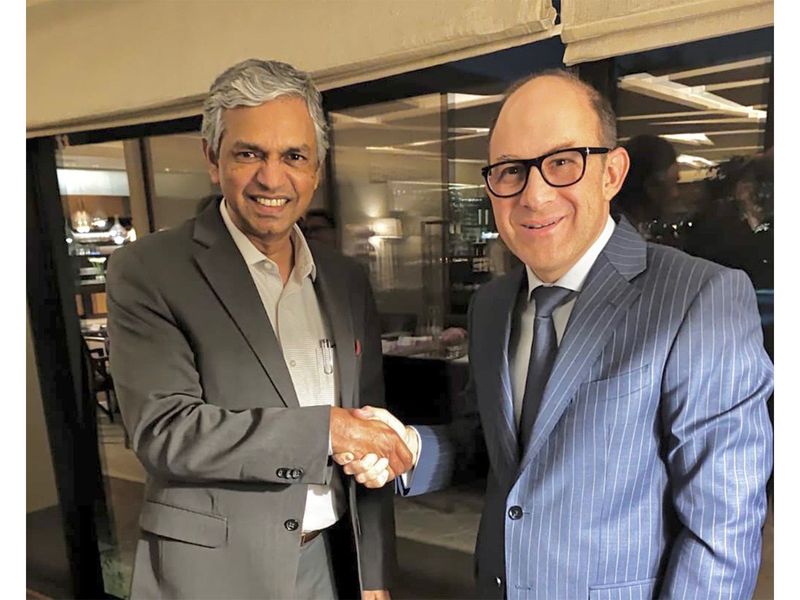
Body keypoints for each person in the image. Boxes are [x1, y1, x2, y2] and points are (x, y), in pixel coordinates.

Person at [338, 70, 773, 599]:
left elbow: (722, 529)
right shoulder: (491, 306)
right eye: (510, 170)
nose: (535, 195)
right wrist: (410, 450)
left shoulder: (699, 298)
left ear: (612, 173)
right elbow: (495, 448)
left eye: (563, 162)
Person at [106, 58, 412, 600]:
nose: (272, 178)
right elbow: (164, 430)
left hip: (333, 563)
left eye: (294, 156)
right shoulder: (150, 270)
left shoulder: (344, 279)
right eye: (249, 154)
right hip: (216, 575)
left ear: (316, 168)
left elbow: (367, 421)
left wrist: (375, 573)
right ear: (212, 158)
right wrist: (325, 431)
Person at [613, 133, 682, 244]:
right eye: (673, 184)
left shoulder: (621, 229)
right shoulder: (623, 239)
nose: (676, 194)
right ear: (651, 186)